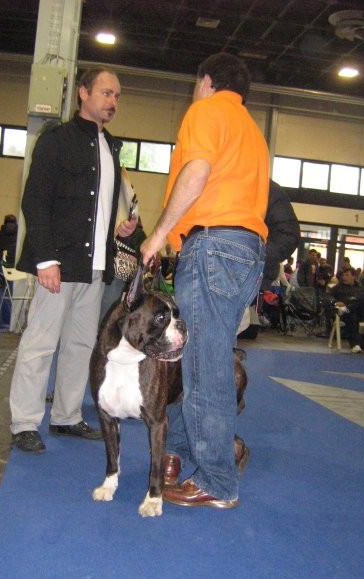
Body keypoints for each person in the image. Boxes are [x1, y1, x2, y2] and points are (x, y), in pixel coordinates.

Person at [141, 52, 269, 509]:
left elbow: (195, 174)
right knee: (196, 355)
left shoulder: (206, 111)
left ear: (206, 81)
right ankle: (179, 450)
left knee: (202, 367)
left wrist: (156, 235)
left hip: (214, 245)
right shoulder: (252, 130)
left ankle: (216, 477)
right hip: (245, 251)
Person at [9, 66, 136, 453]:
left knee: (82, 346)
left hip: (95, 266)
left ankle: (66, 415)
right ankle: (24, 422)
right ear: (83, 93)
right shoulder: (56, 140)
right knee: (40, 343)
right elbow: (36, 200)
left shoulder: (112, 148)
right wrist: (45, 259)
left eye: (116, 95)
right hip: (58, 265)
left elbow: (98, 209)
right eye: (105, 93)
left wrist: (119, 230)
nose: (112, 101)